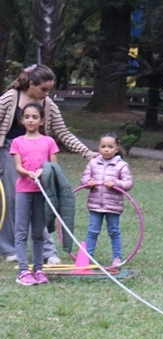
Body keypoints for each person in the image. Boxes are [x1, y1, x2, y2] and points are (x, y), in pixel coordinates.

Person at [0, 64, 97, 263]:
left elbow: (63, 132)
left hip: (38, 152)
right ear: (31, 84)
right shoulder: (11, 98)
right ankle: (9, 249)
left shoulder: (48, 105)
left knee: (42, 199)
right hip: (10, 150)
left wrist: (86, 152)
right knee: (12, 199)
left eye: (49, 90)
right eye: (43, 89)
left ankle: (47, 251)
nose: (46, 94)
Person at [10, 102, 59, 285]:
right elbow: (18, 167)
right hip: (24, 191)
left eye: (35, 117)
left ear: (42, 121)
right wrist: (28, 173)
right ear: (22, 120)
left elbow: (54, 166)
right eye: (27, 117)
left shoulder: (49, 142)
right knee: (21, 231)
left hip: (42, 192)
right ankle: (23, 271)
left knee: (39, 232)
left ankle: (39, 269)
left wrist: (43, 171)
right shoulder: (17, 142)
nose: (31, 120)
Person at [81, 133, 133, 268]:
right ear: (99, 148)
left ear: (116, 149)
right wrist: (88, 182)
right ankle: (87, 257)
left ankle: (117, 258)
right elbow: (84, 178)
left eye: (110, 147)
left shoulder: (121, 165)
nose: (106, 149)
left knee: (114, 231)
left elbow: (128, 183)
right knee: (92, 231)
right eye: (103, 146)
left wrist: (115, 183)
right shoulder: (93, 163)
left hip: (113, 205)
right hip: (95, 204)